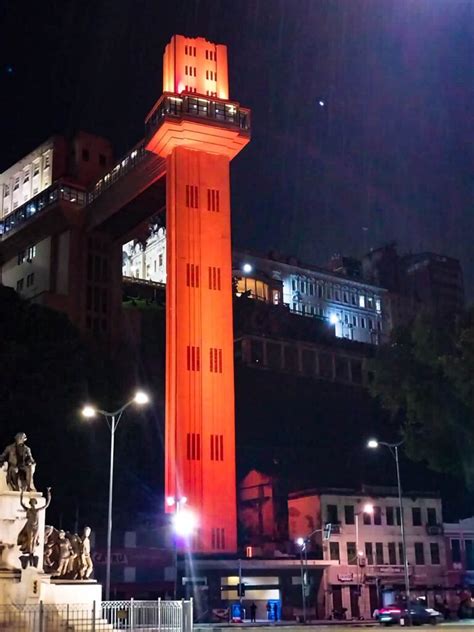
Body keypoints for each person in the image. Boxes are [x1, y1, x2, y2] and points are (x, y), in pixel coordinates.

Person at [17, 487, 51, 566]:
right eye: (31, 502)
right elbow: (21, 503)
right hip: (29, 526)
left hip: (36, 526)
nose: (32, 504)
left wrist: (48, 493)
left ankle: (32, 553)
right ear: (30, 503)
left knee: (34, 539)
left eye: (33, 502)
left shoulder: (37, 510)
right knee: (30, 539)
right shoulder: (28, 509)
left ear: (35, 503)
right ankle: (29, 552)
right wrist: (21, 493)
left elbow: (47, 504)